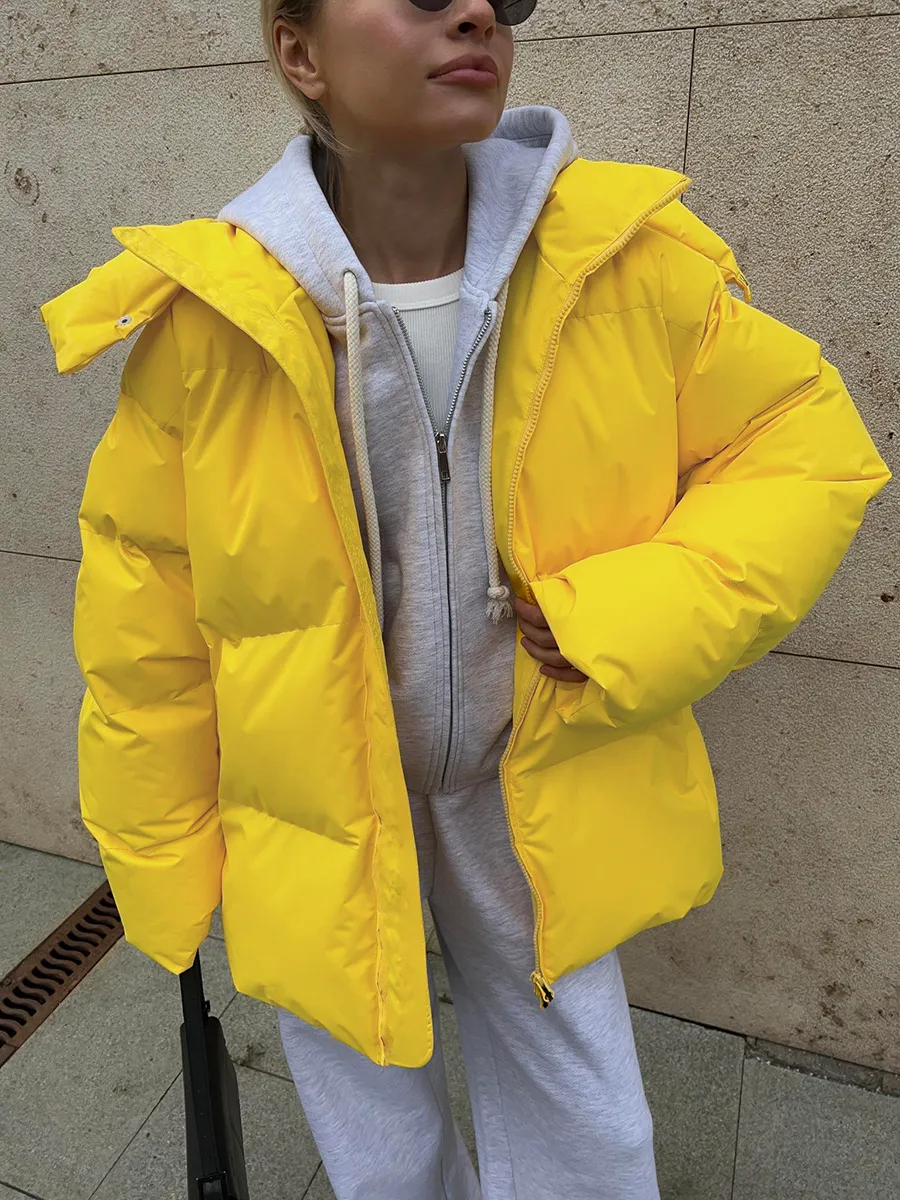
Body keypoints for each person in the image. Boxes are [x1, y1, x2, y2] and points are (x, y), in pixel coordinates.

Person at [40, 1, 889, 1197]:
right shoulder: (213, 324)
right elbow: (145, 623)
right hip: (314, 795)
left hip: (529, 767)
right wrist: (163, 853)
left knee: (583, 1109)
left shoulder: (621, 260)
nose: (477, 11)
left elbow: (802, 446)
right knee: (371, 1120)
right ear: (299, 51)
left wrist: (627, 615)